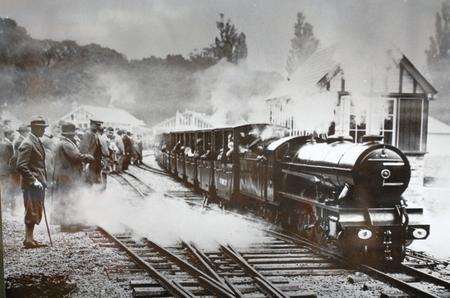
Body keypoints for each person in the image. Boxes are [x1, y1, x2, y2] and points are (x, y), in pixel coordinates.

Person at [52, 122, 94, 228]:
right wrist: (88, 157)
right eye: (73, 132)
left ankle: (69, 222)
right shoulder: (66, 143)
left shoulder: (64, 142)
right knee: (69, 198)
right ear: (70, 133)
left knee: (67, 198)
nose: (74, 134)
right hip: (67, 175)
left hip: (65, 174)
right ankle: (69, 223)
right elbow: (76, 156)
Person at [16, 116, 49, 248]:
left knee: (35, 210)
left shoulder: (36, 140)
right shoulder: (28, 143)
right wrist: (34, 180)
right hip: (31, 185)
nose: (43, 131)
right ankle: (28, 240)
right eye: (41, 128)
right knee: (31, 211)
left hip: (37, 184)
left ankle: (30, 239)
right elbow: (21, 165)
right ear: (35, 128)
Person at [79, 120, 103, 184]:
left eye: (99, 125)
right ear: (91, 125)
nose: (98, 127)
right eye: (96, 125)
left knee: (95, 178)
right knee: (89, 178)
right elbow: (84, 148)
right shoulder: (88, 134)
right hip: (90, 160)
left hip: (96, 160)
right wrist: (86, 160)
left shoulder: (95, 134)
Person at [0, 127, 15, 211]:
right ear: (8, 135)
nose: (13, 136)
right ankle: (4, 206)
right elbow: (10, 159)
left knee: (3, 187)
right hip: (6, 170)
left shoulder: (2, 143)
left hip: (2, 169)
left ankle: (3, 205)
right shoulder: (8, 144)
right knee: (6, 188)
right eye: (12, 134)